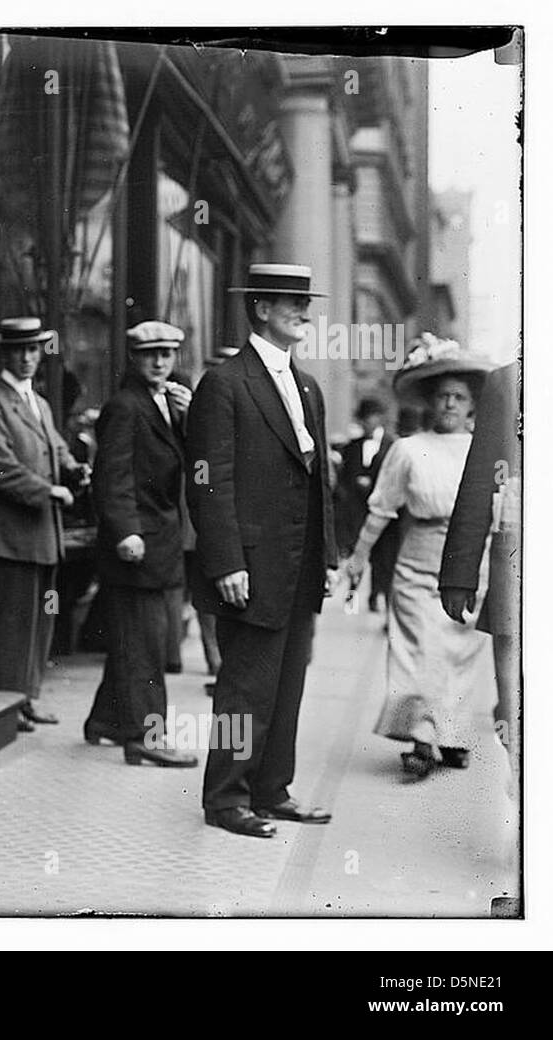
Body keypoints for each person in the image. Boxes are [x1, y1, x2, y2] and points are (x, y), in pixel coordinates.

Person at [185, 263, 338, 838]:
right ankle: (226, 800)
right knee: (246, 685)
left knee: (288, 683)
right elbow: (206, 482)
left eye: (305, 302)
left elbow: (318, 479)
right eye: (290, 302)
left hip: (298, 567)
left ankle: (272, 791)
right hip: (247, 567)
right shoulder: (224, 384)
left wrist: (328, 556)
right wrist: (224, 562)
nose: (303, 312)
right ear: (260, 310)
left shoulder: (306, 386)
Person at [346, 335, 496, 778]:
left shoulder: (483, 452)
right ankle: (421, 738)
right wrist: (357, 561)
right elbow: (381, 510)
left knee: (459, 654)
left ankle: (448, 735)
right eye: (443, 396)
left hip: (470, 564)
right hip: (415, 564)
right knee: (420, 650)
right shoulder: (408, 450)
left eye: (459, 397)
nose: (450, 404)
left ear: (472, 406)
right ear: (430, 402)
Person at [84, 320, 197, 767]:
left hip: (158, 542)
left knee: (137, 639)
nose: (160, 362)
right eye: (151, 354)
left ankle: (107, 722)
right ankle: (145, 737)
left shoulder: (163, 403)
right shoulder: (125, 406)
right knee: (146, 645)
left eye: (167, 354)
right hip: (137, 544)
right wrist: (126, 530)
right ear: (134, 357)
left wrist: (188, 421)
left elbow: (183, 464)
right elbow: (110, 478)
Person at [0, 316, 90, 732]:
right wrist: (49, 491)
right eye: (19, 350)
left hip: (44, 531)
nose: (26, 358)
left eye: (33, 350)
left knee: (41, 619)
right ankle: (11, 703)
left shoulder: (38, 403)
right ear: (5, 353)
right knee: (16, 621)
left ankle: (29, 697)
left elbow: (56, 446)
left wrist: (75, 469)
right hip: (15, 532)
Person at [440, 361, 520, 792]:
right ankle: (522, 773)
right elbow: (482, 476)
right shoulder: (509, 380)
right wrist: (459, 571)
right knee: (516, 682)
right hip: (520, 546)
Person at [336, 398, 401, 611]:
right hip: (358, 511)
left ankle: (376, 596)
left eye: (369, 419)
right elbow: (344, 480)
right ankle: (351, 598)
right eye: (363, 420)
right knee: (358, 554)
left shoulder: (392, 445)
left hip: (383, 512)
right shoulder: (352, 447)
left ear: (379, 418)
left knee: (382, 559)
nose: (366, 424)